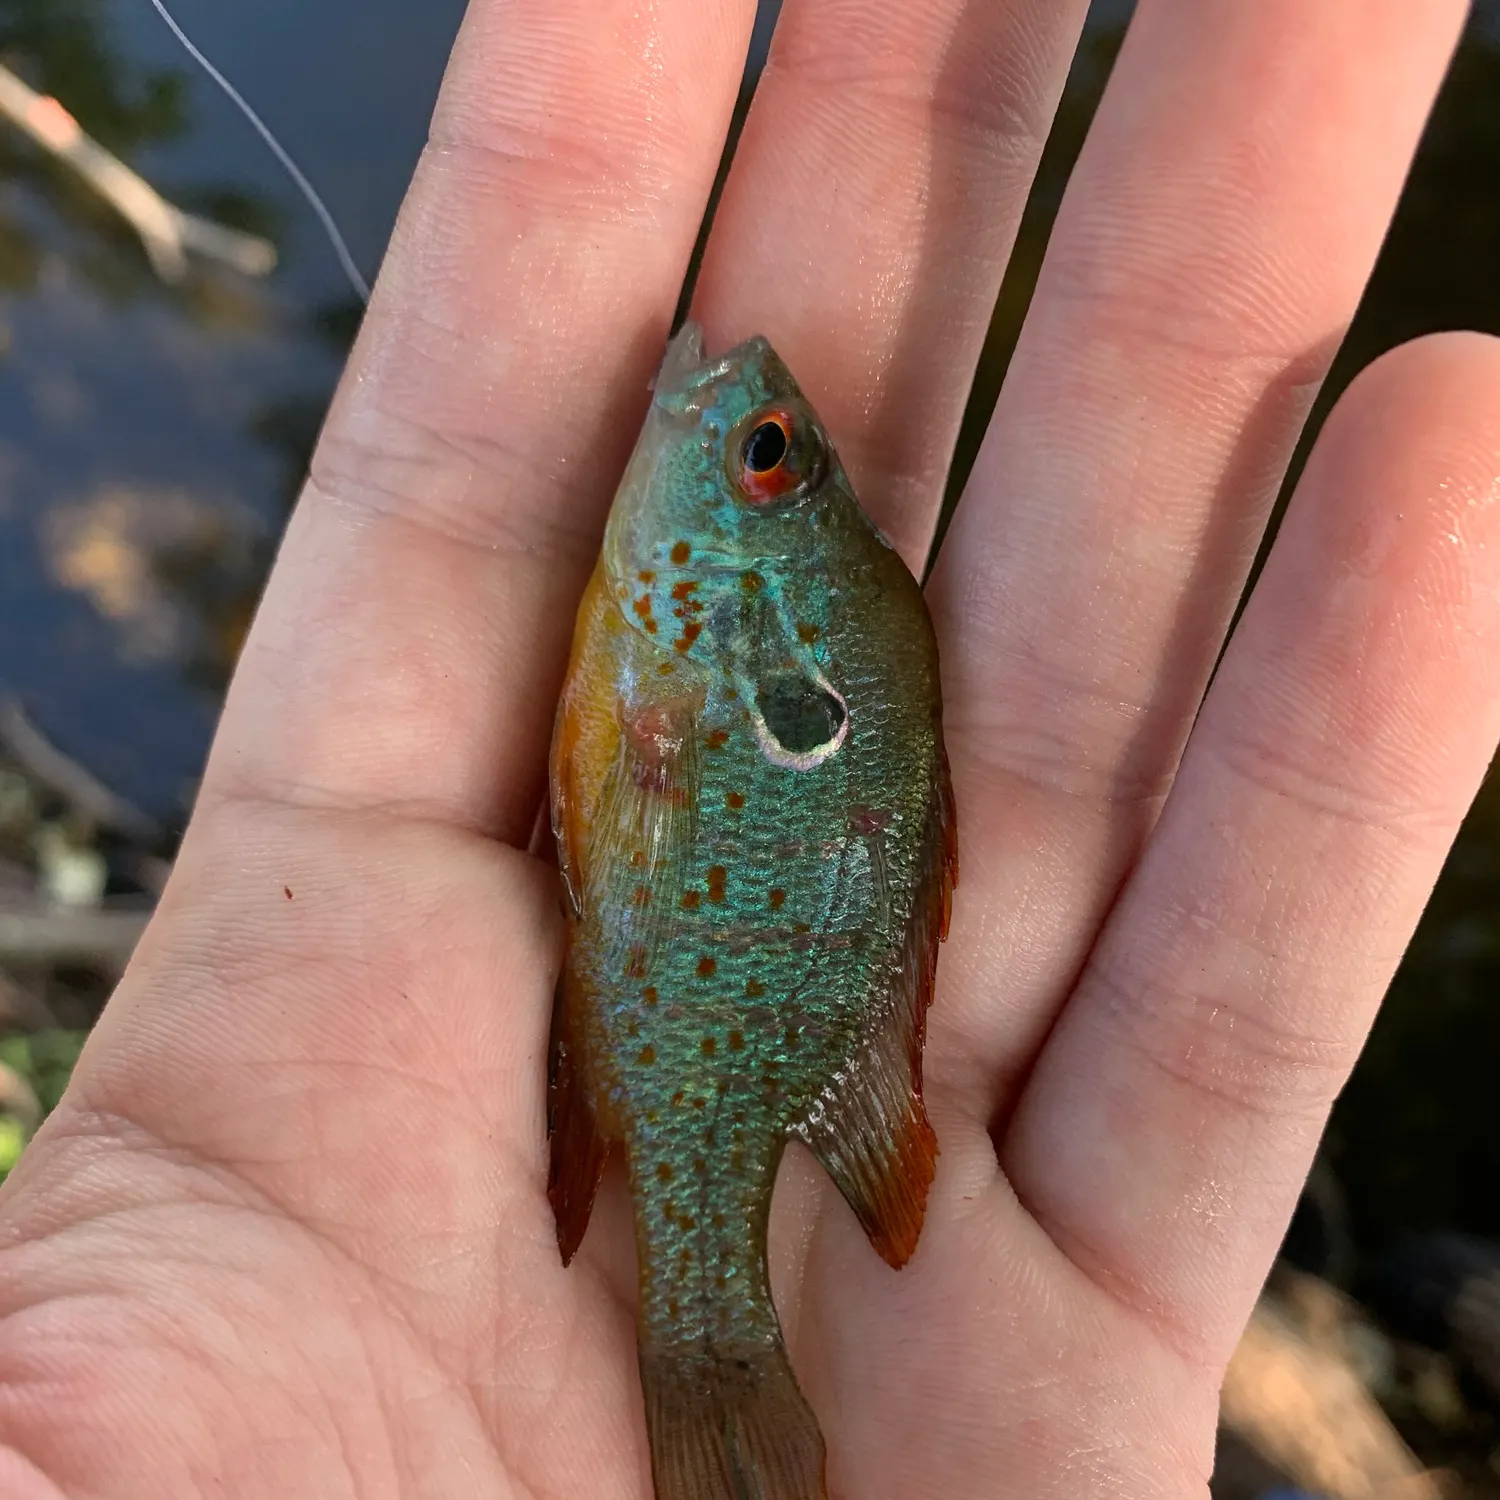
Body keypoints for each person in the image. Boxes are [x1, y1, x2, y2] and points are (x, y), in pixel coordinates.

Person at [2, 2, 1498, 1496]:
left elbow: (642, 785)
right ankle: (706, 1339)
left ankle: (711, 1342)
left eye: (761, 455)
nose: (743, 403)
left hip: (688, 1002)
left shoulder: (666, 668)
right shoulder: (674, 644)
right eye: (775, 450)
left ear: (733, 604)